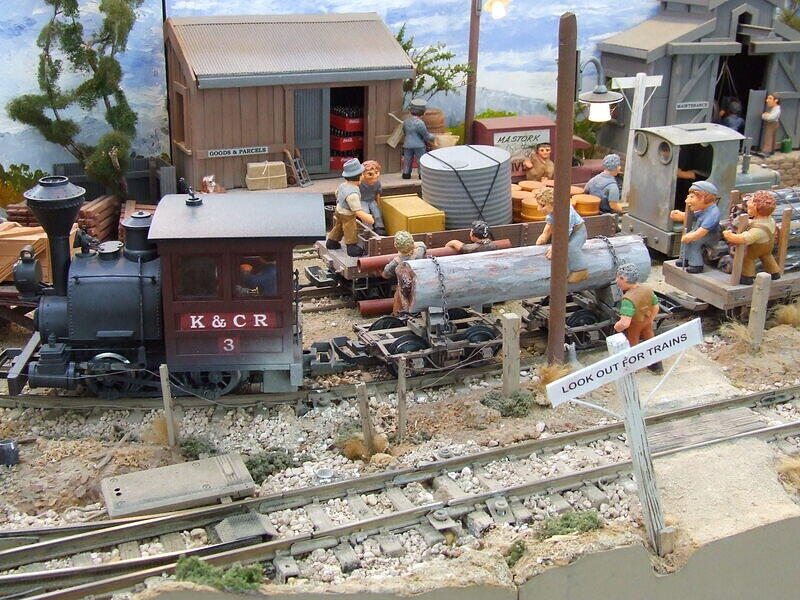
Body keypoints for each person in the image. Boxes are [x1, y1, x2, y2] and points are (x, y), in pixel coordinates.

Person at [722, 190, 781, 285]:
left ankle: (747, 278)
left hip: (757, 247)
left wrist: (730, 236)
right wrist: (749, 222)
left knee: (748, 258)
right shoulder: (770, 220)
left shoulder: (758, 230)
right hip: (768, 245)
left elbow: (744, 239)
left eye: (750, 208)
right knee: (767, 257)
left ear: (758, 209)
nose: (748, 209)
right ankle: (775, 273)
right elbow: (756, 223)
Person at [613, 263, 663, 374]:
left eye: (618, 278)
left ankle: (633, 367)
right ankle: (656, 365)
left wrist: (617, 327)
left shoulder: (628, 299)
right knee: (650, 339)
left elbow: (625, 323)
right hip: (647, 319)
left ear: (624, 279)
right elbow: (656, 307)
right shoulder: (647, 289)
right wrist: (650, 320)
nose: (616, 281)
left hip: (635, 323)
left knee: (632, 342)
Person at [534, 187, 588, 283]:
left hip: (577, 232)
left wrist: (556, 247)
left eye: (542, 205)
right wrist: (544, 236)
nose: (538, 209)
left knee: (571, 248)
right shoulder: (552, 211)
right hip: (564, 232)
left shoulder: (567, 213)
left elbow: (565, 233)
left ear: (553, 204)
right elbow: (550, 223)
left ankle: (581, 270)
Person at [325, 158, 375, 257]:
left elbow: (336, 193)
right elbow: (357, 211)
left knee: (339, 227)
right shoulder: (353, 193)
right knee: (350, 229)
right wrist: (368, 218)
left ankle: (332, 241)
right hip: (347, 215)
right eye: (362, 174)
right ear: (359, 176)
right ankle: (351, 248)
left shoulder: (342, 185)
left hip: (339, 210)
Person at [669, 180, 721, 274]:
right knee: (687, 237)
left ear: (703, 197)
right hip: (700, 232)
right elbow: (693, 216)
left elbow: (703, 231)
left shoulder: (713, 213)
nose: (687, 200)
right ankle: (685, 258)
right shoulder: (704, 209)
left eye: (692, 197)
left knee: (694, 241)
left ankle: (696, 264)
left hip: (710, 236)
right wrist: (681, 215)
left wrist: (692, 236)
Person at [382, 230, 427, 315]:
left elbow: (385, 274)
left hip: (406, 290)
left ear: (396, 246)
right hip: (423, 284)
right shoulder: (420, 251)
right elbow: (421, 244)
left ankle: (397, 315)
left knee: (399, 294)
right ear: (412, 242)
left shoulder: (396, 262)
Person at [402, 98, 436, 179]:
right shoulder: (420, 123)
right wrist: (434, 137)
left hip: (407, 144)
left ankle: (406, 173)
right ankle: (421, 174)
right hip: (418, 145)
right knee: (420, 159)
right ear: (422, 112)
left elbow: (404, 132)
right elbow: (426, 135)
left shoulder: (406, 122)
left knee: (407, 159)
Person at [359, 160, 385, 235]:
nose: (374, 176)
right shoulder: (360, 183)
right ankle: (368, 228)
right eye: (370, 174)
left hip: (372, 200)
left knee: (377, 213)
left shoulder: (377, 183)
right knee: (365, 213)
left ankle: (379, 227)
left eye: (376, 173)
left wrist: (378, 203)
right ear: (363, 174)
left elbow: (377, 194)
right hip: (362, 200)